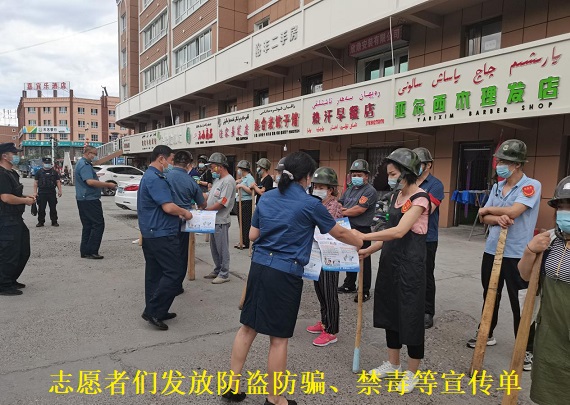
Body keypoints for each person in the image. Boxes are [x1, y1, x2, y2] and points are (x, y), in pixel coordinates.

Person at [224, 152, 363, 404]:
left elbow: (253, 235)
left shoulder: (267, 198)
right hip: (285, 273)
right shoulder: (311, 204)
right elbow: (340, 233)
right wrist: (360, 241)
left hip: (259, 267)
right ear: (307, 177)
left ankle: (232, 387)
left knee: (247, 328)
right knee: (278, 339)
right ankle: (275, 399)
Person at [355, 148, 430, 394]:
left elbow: (399, 231)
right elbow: (387, 231)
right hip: (390, 262)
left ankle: (412, 372)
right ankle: (393, 364)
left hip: (410, 266)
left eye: (394, 173)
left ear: (407, 173)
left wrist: (363, 236)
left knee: (410, 316)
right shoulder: (396, 196)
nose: (390, 178)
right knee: (390, 313)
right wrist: (370, 249)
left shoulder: (421, 198)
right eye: (389, 174)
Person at [469, 139, 541, 372]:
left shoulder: (531, 186)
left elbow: (515, 211)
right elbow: (484, 218)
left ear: (517, 164)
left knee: (520, 300)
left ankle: (526, 348)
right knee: (490, 293)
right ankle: (486, 333)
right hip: (492, 249)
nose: (499, 165)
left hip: (518, 253)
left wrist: (488, 209)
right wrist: (492, 215)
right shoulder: (497, 187)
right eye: (499, 160)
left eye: (504, 161)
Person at [518, 176, 570, 404]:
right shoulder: (550, 240)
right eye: (562, 206)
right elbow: (525, 276)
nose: (565, 212)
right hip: (550, 332)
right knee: (549, 389)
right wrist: (529, 251)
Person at [138, 145, 193, 331]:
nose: (170, 164)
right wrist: (184, 212)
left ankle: (158, 311)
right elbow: (168, 207)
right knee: (174, 272)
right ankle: (153, 311)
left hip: (151, 232)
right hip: (161, 233)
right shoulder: (156, 178)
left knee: (155, 274)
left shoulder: (148, 176)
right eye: (170, 160)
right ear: (161, 159)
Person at [306, 167, 343, 347]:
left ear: (330, 190)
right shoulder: (318, 204)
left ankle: (331, 330)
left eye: (321, 187)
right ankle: (324, 321)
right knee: (320, 290)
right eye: (315, 186)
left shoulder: (333, 206)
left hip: (330, 254)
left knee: (329, 292)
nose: (317, 190)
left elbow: (323, 226)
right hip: (317, 252)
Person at [165, 151, 206, 295]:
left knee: (166, 252)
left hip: (164, 220)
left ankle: (164, 283)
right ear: (189, 164)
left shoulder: (164, 176)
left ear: (173, 162)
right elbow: (202, 204)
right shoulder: (190, 181)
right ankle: (177, 285)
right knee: (181, 254)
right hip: (183, 221)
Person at [412, 147, 444, 329]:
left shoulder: (435, 185)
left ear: (428, 165)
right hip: (407, 235)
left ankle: (427, 311)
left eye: (419, 163)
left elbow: (426, 210)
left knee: (426, 274)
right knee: (409, 272)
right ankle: (411, 306)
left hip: (427, 237)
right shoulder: (407, 182)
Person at [337, 159, 377, 302]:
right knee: (349, 256)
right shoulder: (350, 189)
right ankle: (349, 284)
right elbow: (340, 202)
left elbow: (359, 210)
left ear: (366, 176)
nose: (356, 177)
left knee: (363, 259)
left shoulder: (369, 191)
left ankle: (364, 290)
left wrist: (343, 211)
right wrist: (340, 208)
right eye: (354, 175)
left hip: (362, 229)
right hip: (348, 227)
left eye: (359, 175)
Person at [0, 143, 35, 296]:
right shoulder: (1, 174)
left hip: (15, 218)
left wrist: (25, 197)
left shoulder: (12, 173)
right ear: (4, 156)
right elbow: (6, 198)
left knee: (23, 251)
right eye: (14, 154)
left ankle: (11, 279)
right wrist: (25, 201)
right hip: (5, 219)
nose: (17, 156)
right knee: (9, 252)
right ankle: (3, 285)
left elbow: (14, 194)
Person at [74, 146, 117, 259]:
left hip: (83, 198)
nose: (95, 156)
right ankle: (92, 251)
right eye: (94, 154)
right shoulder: (85, 165)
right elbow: (90, 182)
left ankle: (85, 251)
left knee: (88, 225)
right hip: (89, 199)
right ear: (88, 153)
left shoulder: (81, 163)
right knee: (98, 224)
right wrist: (108, 185)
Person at [203, 152, 236, 284]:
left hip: (221, 220)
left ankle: (224, 273)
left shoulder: (228, 181)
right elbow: (210, 195)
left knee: (222, 248)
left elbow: (222, 203)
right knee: (214, 248)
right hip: (213, 219)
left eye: (212, 167)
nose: (211, 170)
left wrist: (207, 210)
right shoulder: (218, 180)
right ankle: (217, 269)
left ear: (220, 166)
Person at [33, 157, 62, 227]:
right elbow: (36, 182)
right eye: (46, 163)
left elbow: (58, 181)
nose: (47, 164)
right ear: (43, 163)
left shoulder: (54, 172)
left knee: (53, 208)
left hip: (51, 192)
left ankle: (54, 221)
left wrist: (60, 190)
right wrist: (35, 192)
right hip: (42, 193)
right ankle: (41, 222)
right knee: (41, 208)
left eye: (48, 163)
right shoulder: (39, 172)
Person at [234, 160, 254, 250]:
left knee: (245, 222)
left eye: (239, 169)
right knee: (241, 222)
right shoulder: (243, 178)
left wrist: (242, 186)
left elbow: (251, 191)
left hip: (246, 202)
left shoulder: (249, 178)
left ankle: (246, 242)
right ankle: (242, 240)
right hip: (240, 200)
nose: (238, 171)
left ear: (243, 169)